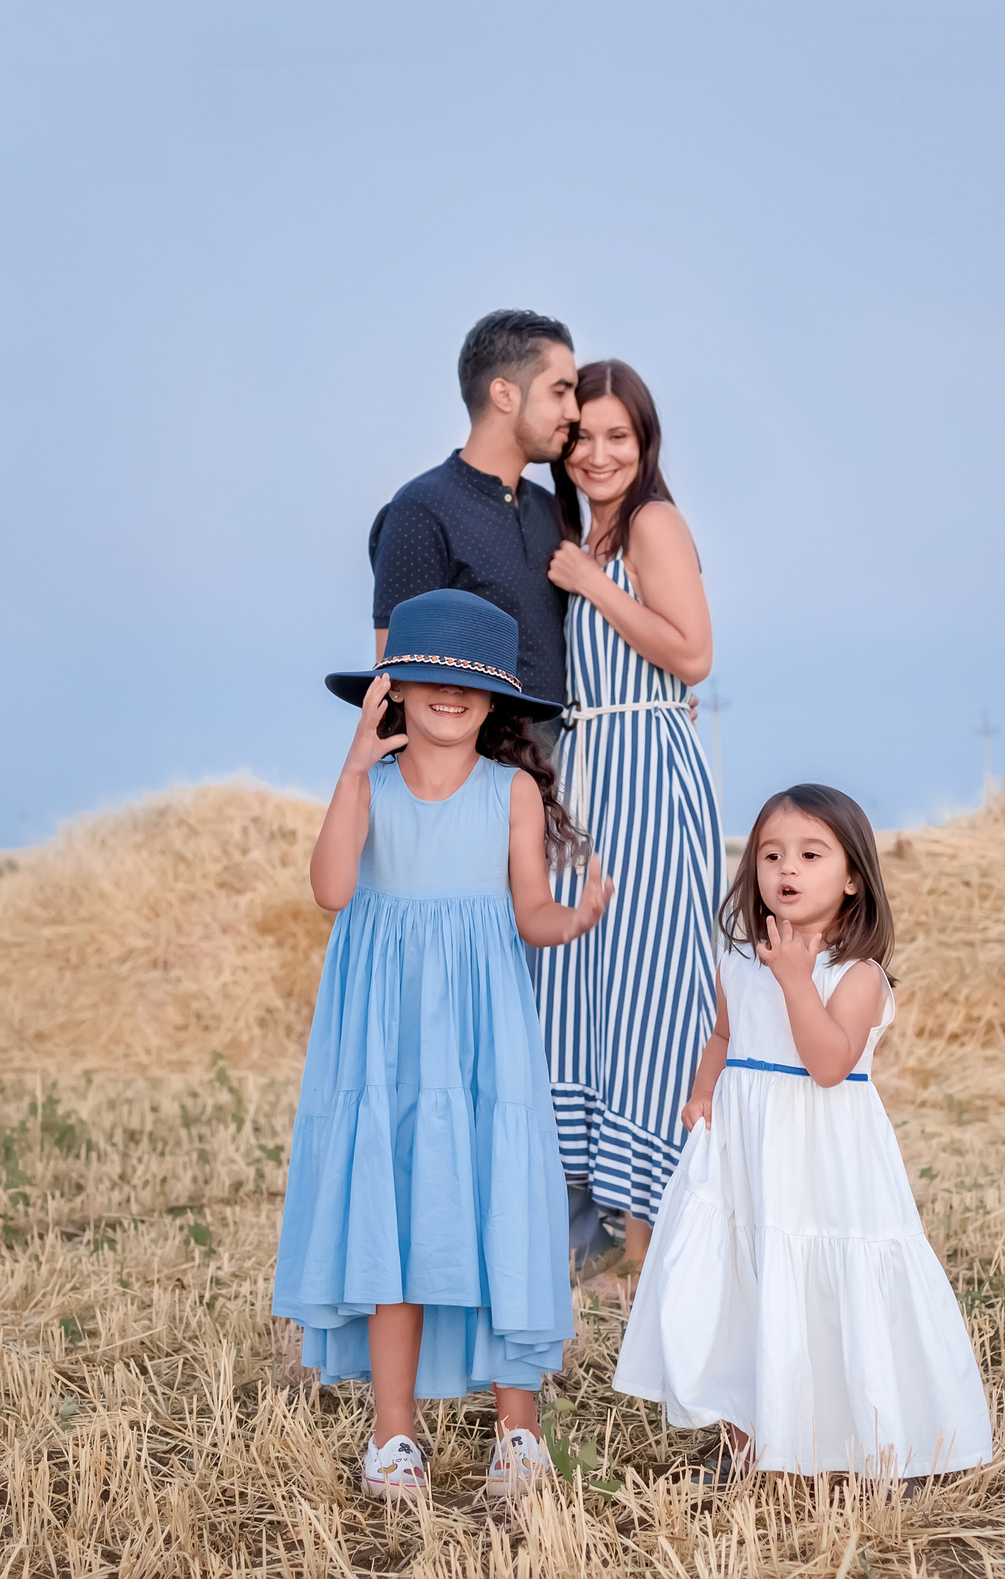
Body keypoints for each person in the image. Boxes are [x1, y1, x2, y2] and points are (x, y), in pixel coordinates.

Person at [272, 588, 616, 1504]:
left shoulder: (513, 791)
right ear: (393, 687)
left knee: (495, 1203)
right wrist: (354, 766)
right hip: (383, 1037)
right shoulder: (371, 786)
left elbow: (530, 910)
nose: (450, 692)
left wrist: (574, 918)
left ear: (496, 696)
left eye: (470, 680)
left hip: (481, 1034)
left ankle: (518, 1436)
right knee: (396, 1212)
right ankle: (394, 1439)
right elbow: (331, 889)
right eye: (428, 675)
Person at [613, 784, 994, 1481]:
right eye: (771, 854)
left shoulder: (857, 976)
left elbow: (827, 1064)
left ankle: (869, 1443)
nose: (786, 867)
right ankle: (750, 1444)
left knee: (823, 1287)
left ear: (852, 878)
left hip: (823, 1165)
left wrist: (796, 981)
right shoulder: (737, 962)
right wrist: (703, 1092)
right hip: (747, 1158)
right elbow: (724, 1036)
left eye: (811, 854)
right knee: (742, 1286)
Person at [535, 360, 721, 1283]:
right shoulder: (582, 529)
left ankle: (654, 1250)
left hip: (647, 771)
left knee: (652, 998)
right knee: (588, 990)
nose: (599, 453)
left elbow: (694, 654)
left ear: (645, 442)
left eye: (620, 436)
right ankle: (605, 1242)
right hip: (590, 779)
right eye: (584, 436)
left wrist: (593, 584)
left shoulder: (651, 522)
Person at [369, 310, 581, 726]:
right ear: (504, 394)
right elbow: (395, 687)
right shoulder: (420, 510)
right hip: (478, 765)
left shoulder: (553, 512)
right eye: (559, 391)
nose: (574, 411)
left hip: (569, 760)